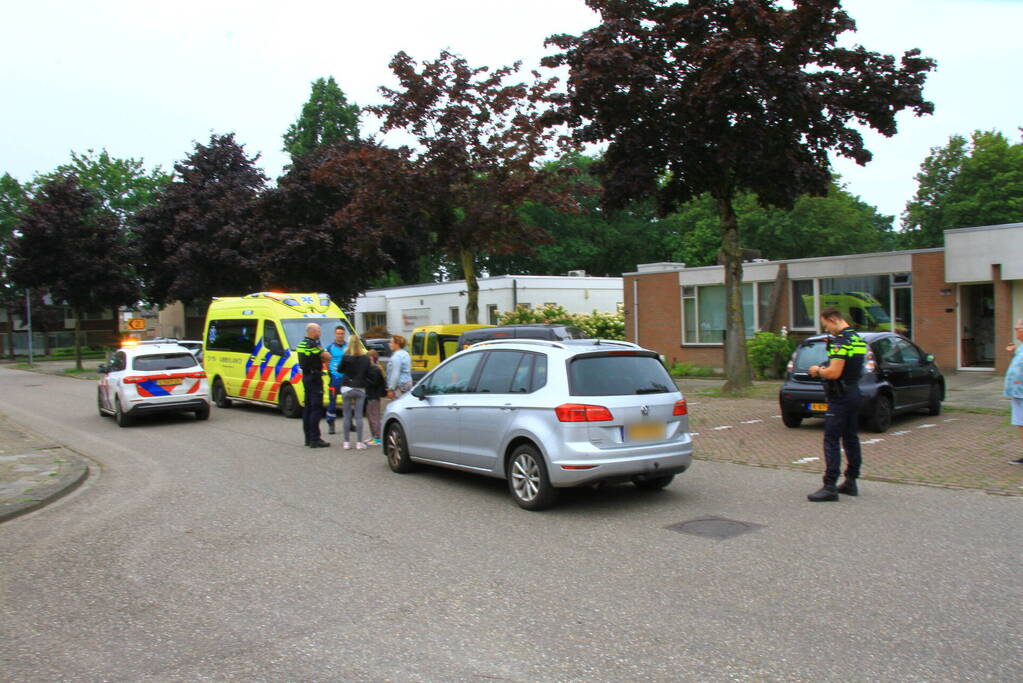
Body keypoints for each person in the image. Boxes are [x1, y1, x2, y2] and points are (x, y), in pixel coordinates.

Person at [806, 307, 867, 501]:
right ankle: (851, 481)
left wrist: (818, 370)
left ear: (833, 319)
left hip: (840, 395)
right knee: (850, 438)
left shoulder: (840, 342)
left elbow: (834, 373)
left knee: (831, 439)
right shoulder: (858, 339)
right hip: (854, 391)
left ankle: (830, 485)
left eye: (827, 325)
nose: (827, 330)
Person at [296, 322, 331, 448]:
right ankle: (315, 439)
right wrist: (322, 351)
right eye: (319, 331)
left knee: (308, 408)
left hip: (305, 377)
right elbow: (327, 357)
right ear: (313, 332)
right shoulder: (313, 345)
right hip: (315, 378)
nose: (320, 333)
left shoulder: (301, 344)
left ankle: (308, 438)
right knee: (316, 409)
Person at [339, 335, 371, 450]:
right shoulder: (365, 358)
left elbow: (339, 369)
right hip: (360, 388)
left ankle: (346, 442)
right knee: (358, 416)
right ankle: (359, 442)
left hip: (347, 387)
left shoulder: (346, 356)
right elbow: (368, 372)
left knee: (347, 415)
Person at [1005, 319, 1023, 465]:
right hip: (1017, 393)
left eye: (1017, 328)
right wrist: (1012, 353)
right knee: (1020, 423)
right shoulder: (1021, 347)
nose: (1015, 330)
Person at [324, 325, 347, 435]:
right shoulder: (330, 347)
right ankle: (331, 423)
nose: (340, 336)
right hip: (335, 378)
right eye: (338, 333)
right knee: (332, 402)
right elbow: (324, 359)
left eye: (342, 333)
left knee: (347, 401)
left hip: (347, 379)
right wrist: (329, 371)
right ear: (335, 334)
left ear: (344, 334)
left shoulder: (348, 347)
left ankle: (349, 423)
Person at [364, 349, 387, 445]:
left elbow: (374, 382)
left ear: (371, 358)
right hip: (370, 395)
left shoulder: (375, 369)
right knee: (370, 415)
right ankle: (374, 435)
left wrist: (364, 378)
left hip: (374, 395)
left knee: (374, 416)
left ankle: (378, 437)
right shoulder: (373, 368)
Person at [386, 335, 413, 400]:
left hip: (400, 386)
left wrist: (391, 389)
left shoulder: (397, 356)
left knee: (397, 406)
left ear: (397, 344)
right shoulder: (406, 354)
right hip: (407, 383)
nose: (390, 344)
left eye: (391, 342)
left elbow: (395, 374)